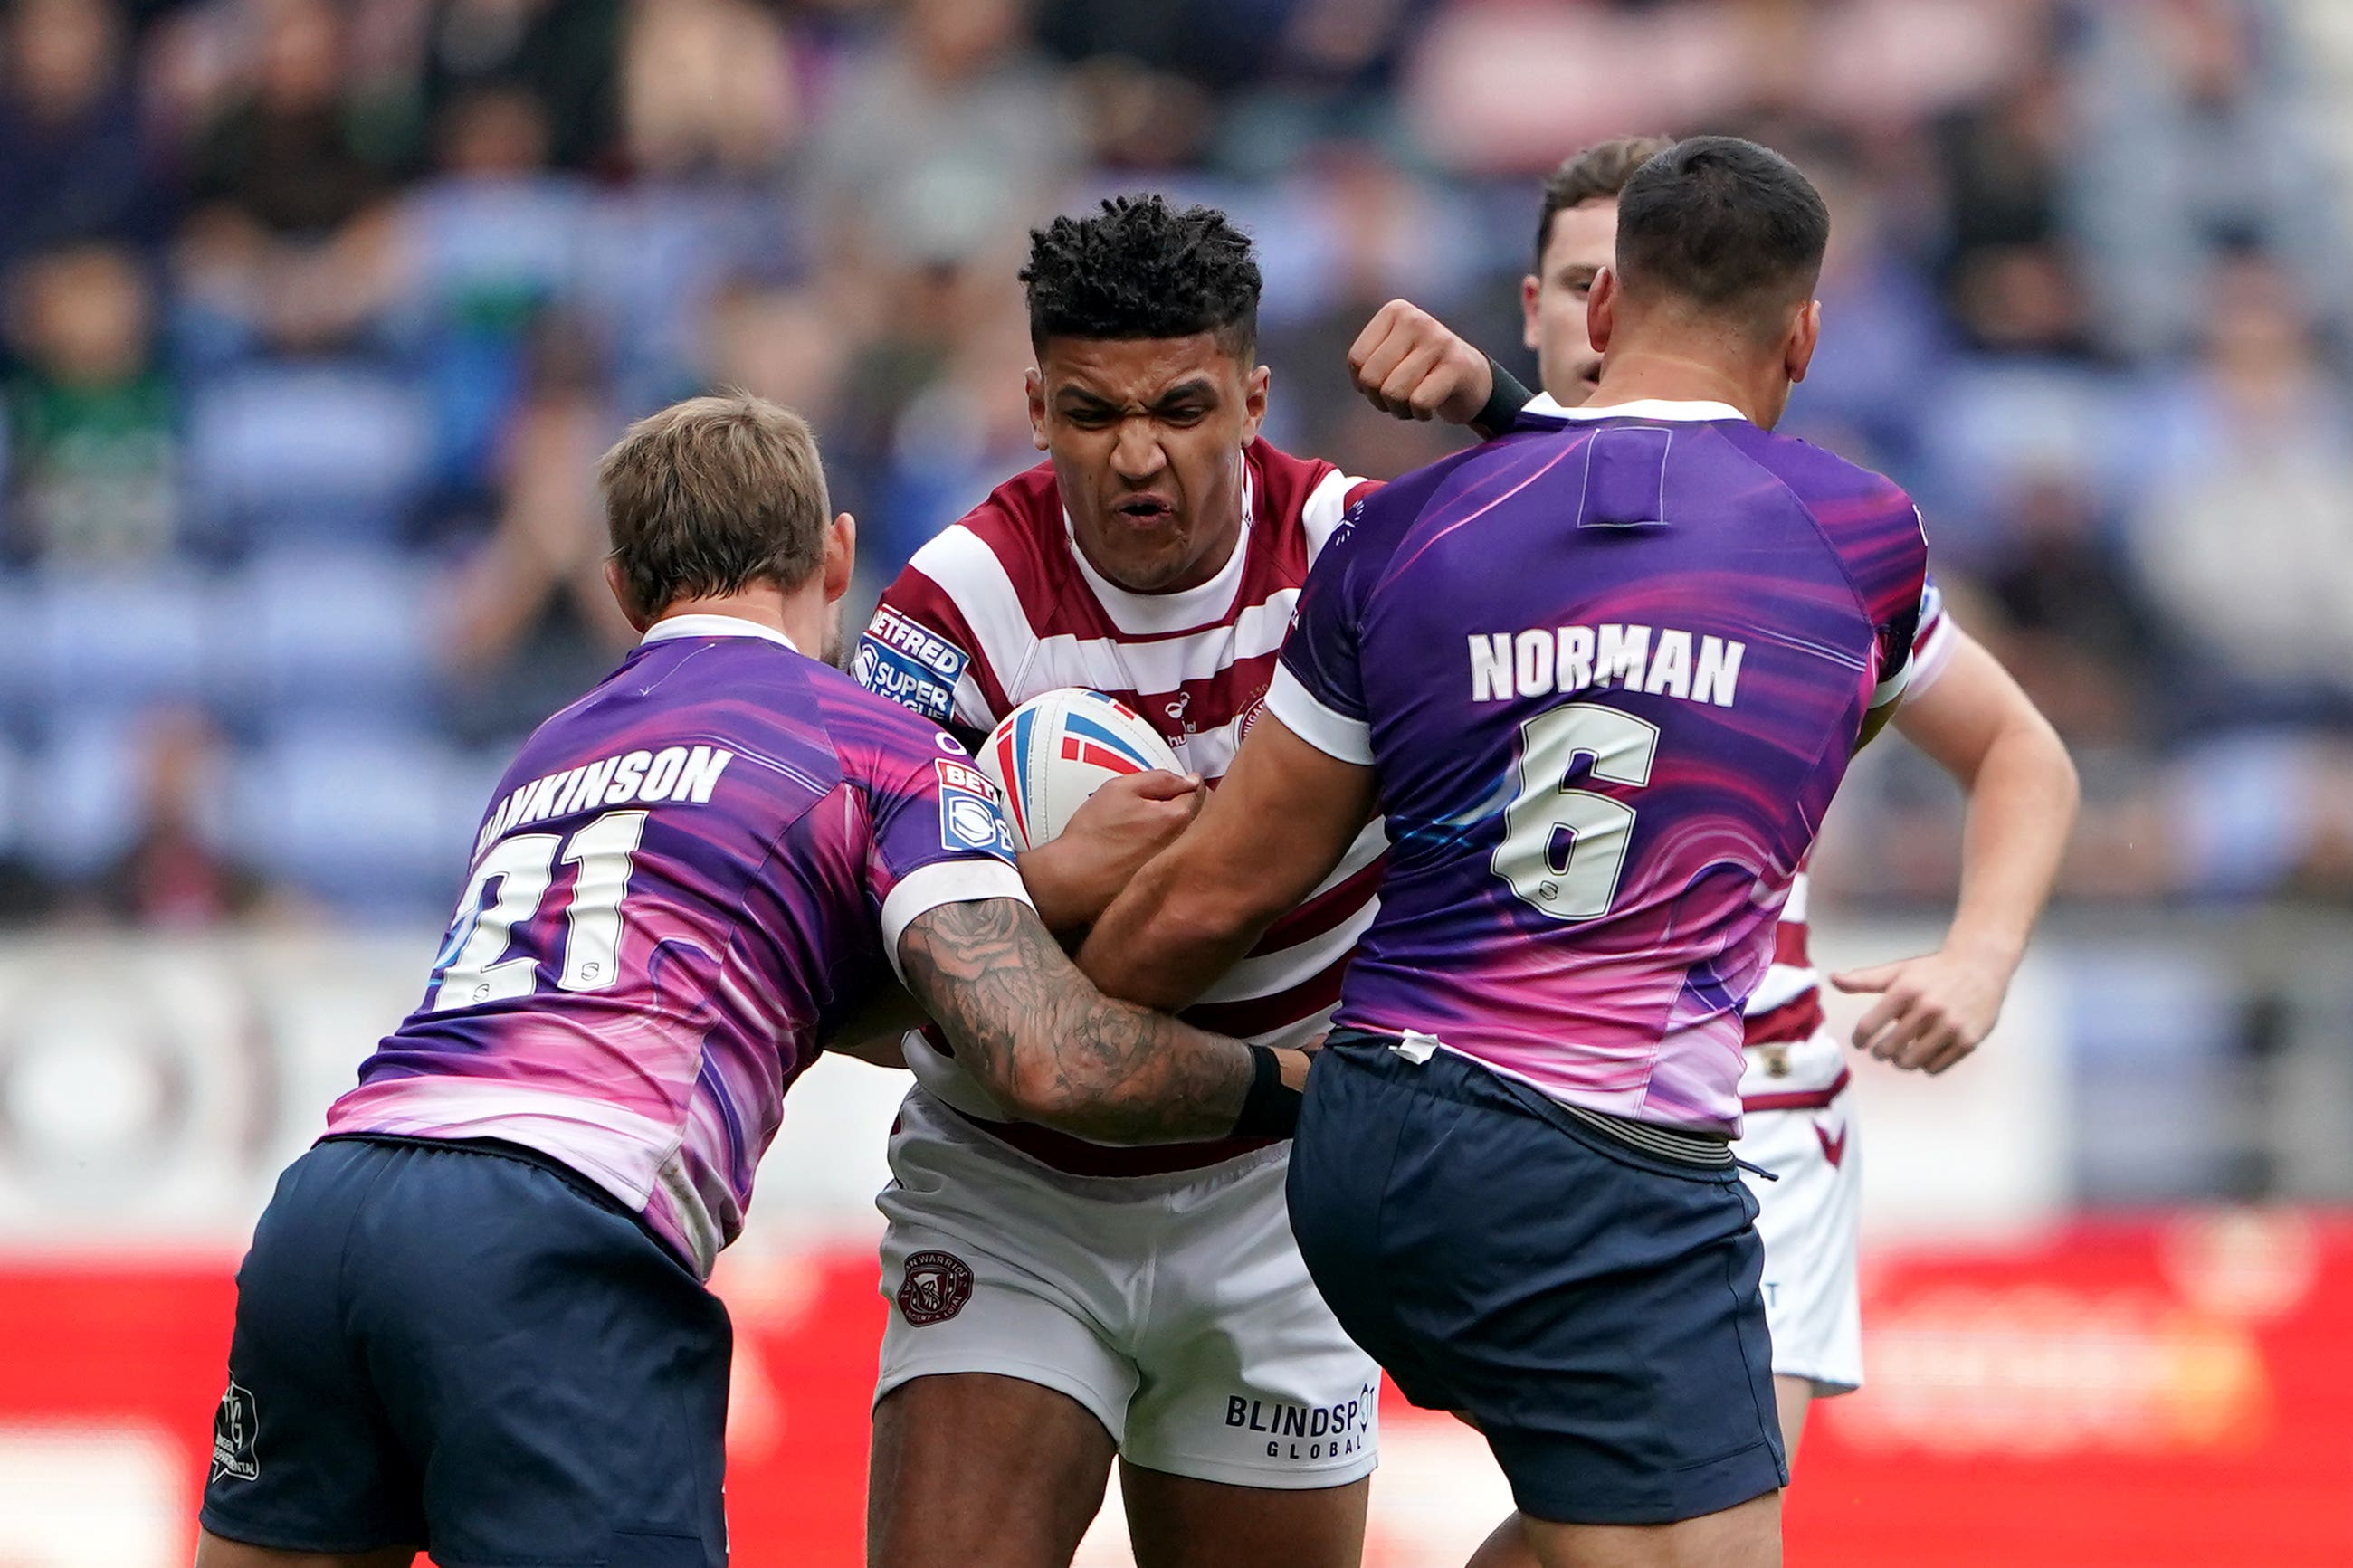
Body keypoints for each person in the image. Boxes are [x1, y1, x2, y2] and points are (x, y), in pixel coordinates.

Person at [195, 394, 1298, 1568]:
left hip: (331, 1206)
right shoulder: (877, 741)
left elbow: (756, 958)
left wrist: (1024, 879)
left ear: (622, 590)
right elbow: (1047, 1053)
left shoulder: (549, 746)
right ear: (837, 553)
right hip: (557, 1230)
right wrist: (1302, 1086)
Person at [1080, 138, 1926, 1568]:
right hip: (1607, 1160)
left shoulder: (1401, 533)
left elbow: (1222, 887)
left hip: (1368, 1146)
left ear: (1598, 316)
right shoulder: (1864, 541)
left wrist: (1024, 1011)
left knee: (1568, 1533)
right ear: (1805, 335)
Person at [850, 195, 1503, 1568]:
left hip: (1282, 1200)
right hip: (1017, 1189)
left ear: (1256, 396)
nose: (1137, 455)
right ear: (1032, 405)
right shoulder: (952, 607)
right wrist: (1035, 879)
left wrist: (1505, 405)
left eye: (1183, 408)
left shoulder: (1368, 557)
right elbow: (851, 987)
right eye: (1091, 413)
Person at [1485, 134, 2082, 1485]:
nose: (1601, 320)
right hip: (1488, 1092)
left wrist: (1980, 954)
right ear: (1545, 306)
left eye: (1622, 281)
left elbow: (2020, 751)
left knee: (1683, 1526)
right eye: (1581, 280)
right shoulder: (1435, 530)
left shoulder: (1813, 541)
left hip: (1754, 1107)